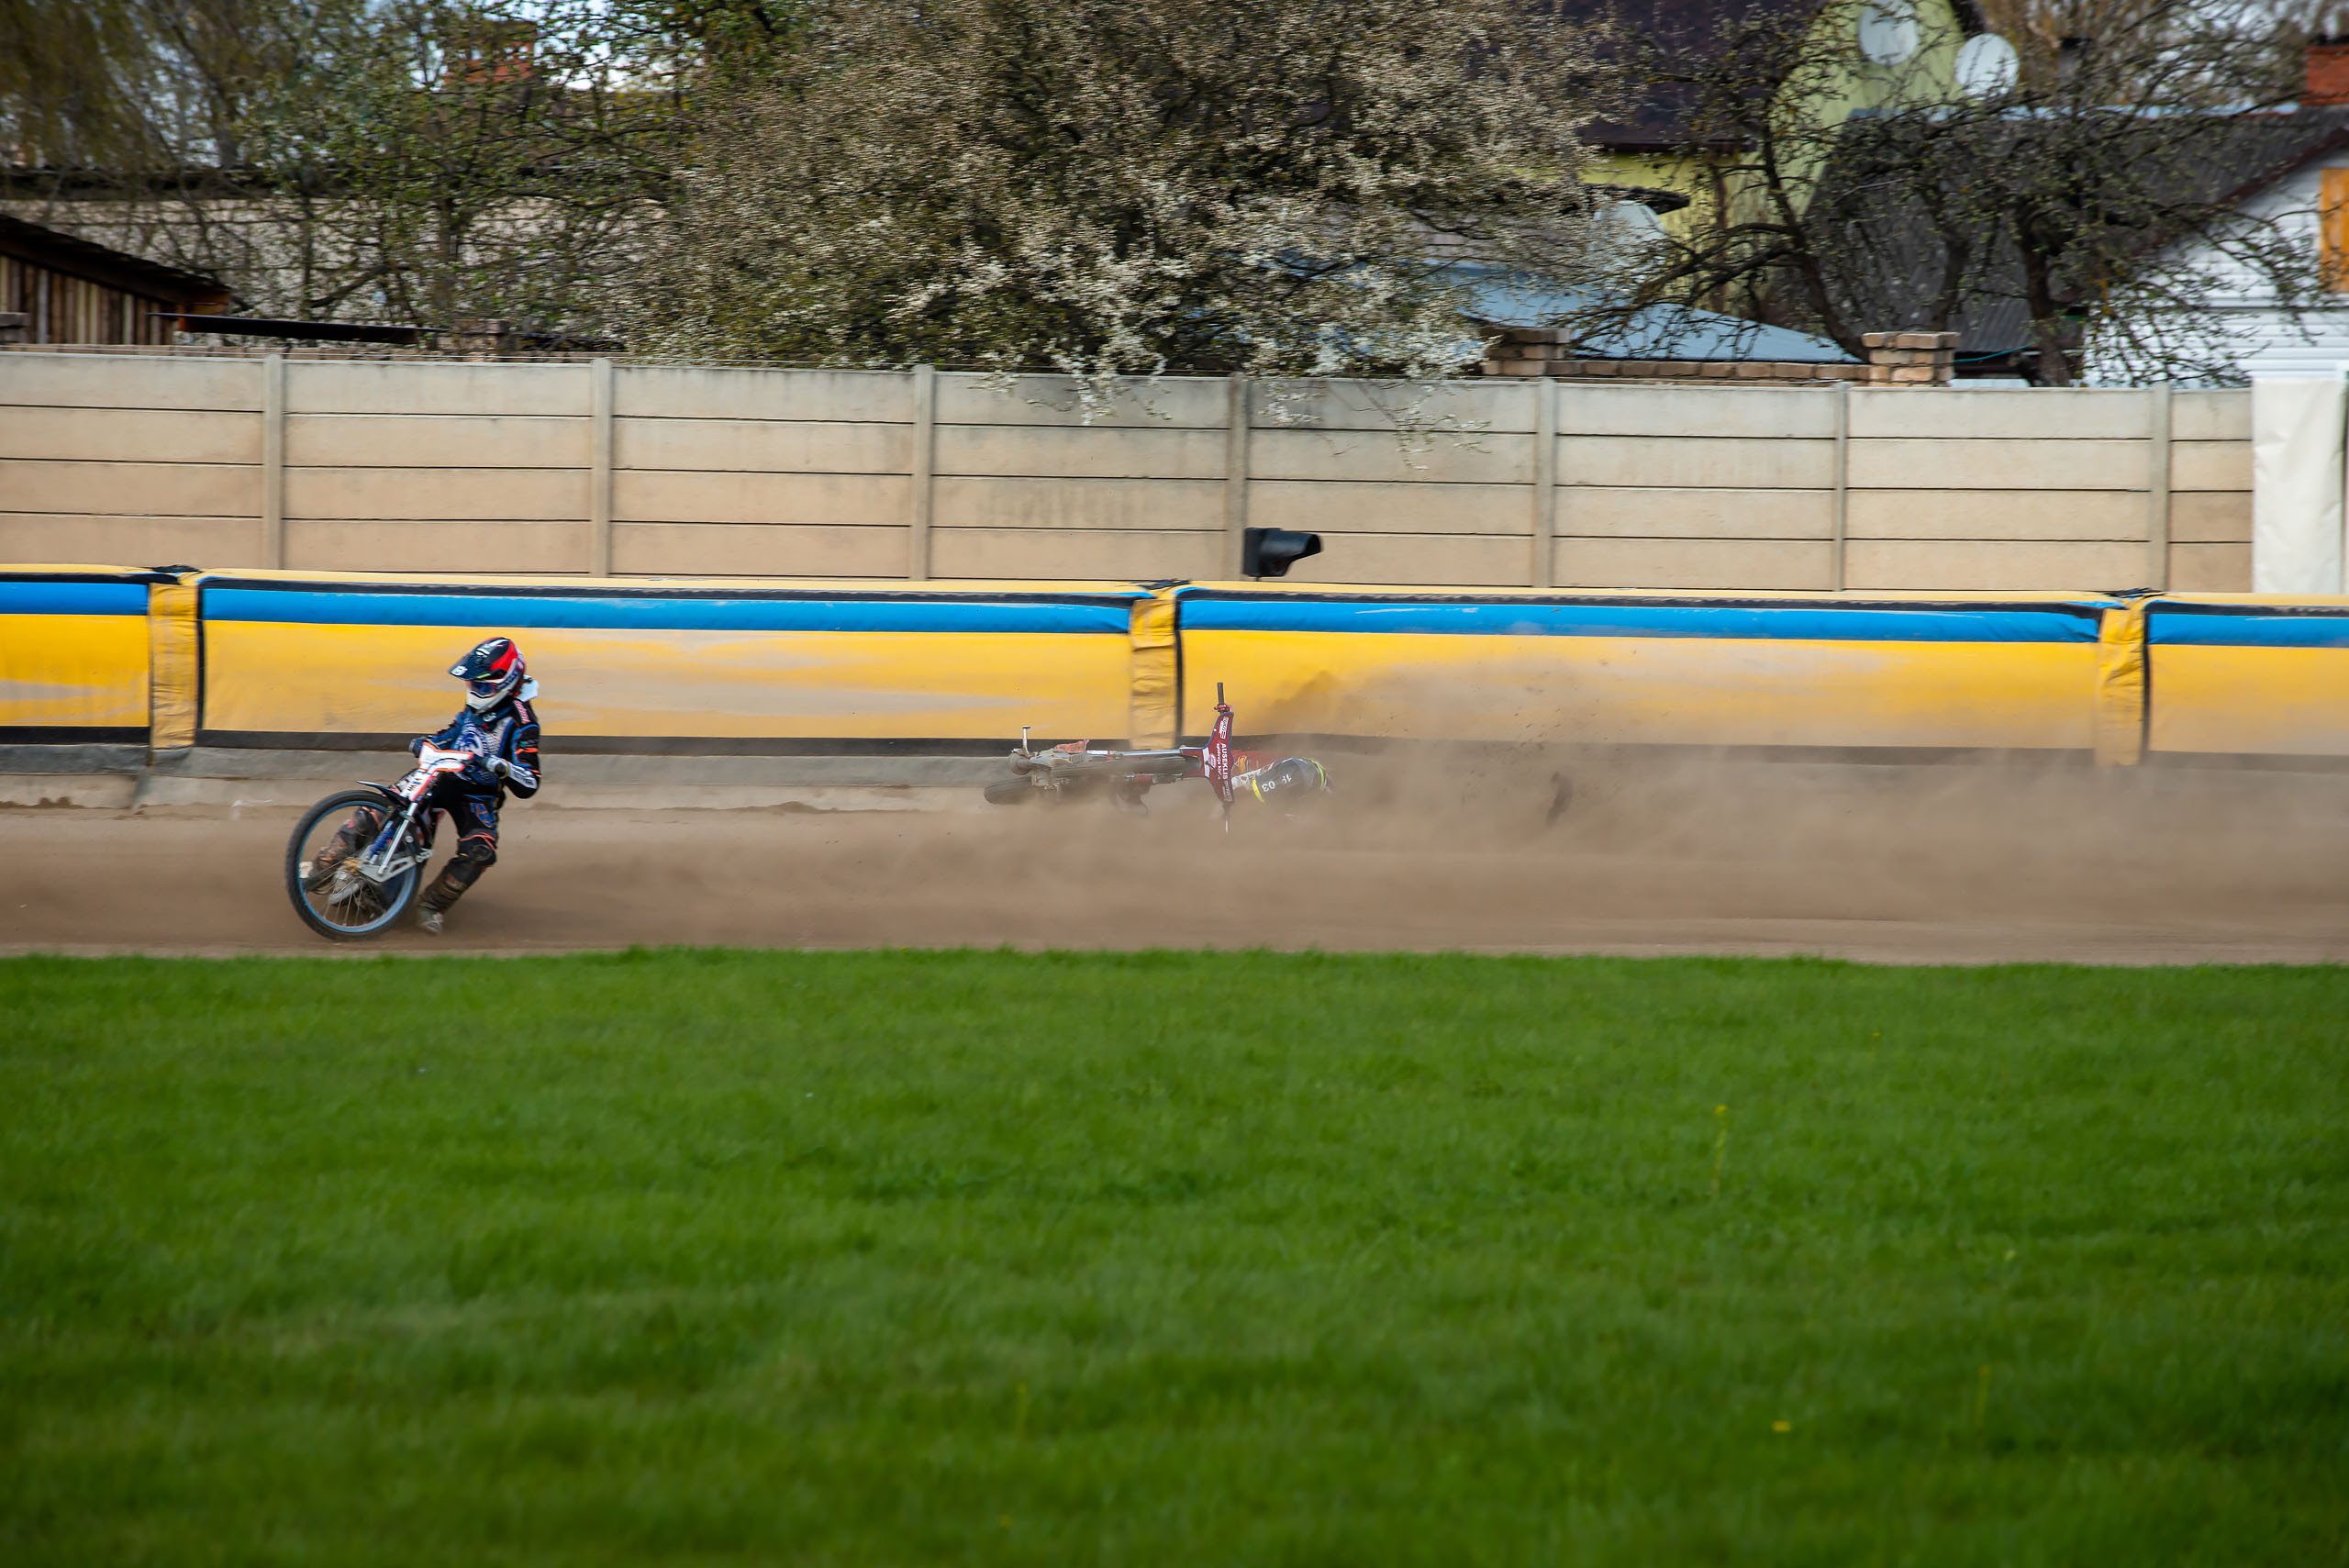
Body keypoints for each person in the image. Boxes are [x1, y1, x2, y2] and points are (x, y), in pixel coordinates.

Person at [306, 637, 541, 934]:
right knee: (381, 809)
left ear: (504, 683)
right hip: (439, 774)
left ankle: (431, 904)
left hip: (478, 795)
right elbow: (455, 731)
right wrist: (429, 742)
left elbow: (530, 782)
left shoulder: (524, 722)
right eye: (471, 684)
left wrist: (501, 766)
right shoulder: (478, 704)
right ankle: (322, 866)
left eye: (481, 686)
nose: (474, 691)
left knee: (481, 851)